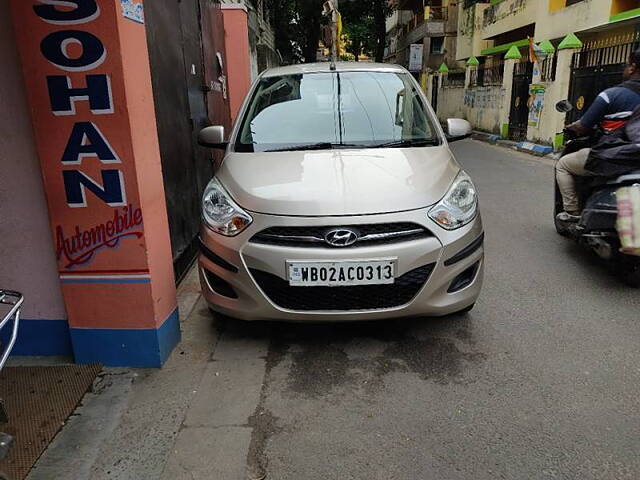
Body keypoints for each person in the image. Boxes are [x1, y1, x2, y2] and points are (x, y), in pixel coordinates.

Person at [556, 48, 640, 222]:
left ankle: (572, 212)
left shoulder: (611, 95)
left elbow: (584, 126)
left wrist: (572, 126)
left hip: (614, 157)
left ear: (632, 67)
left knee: (563, 165)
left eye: (626, 65)